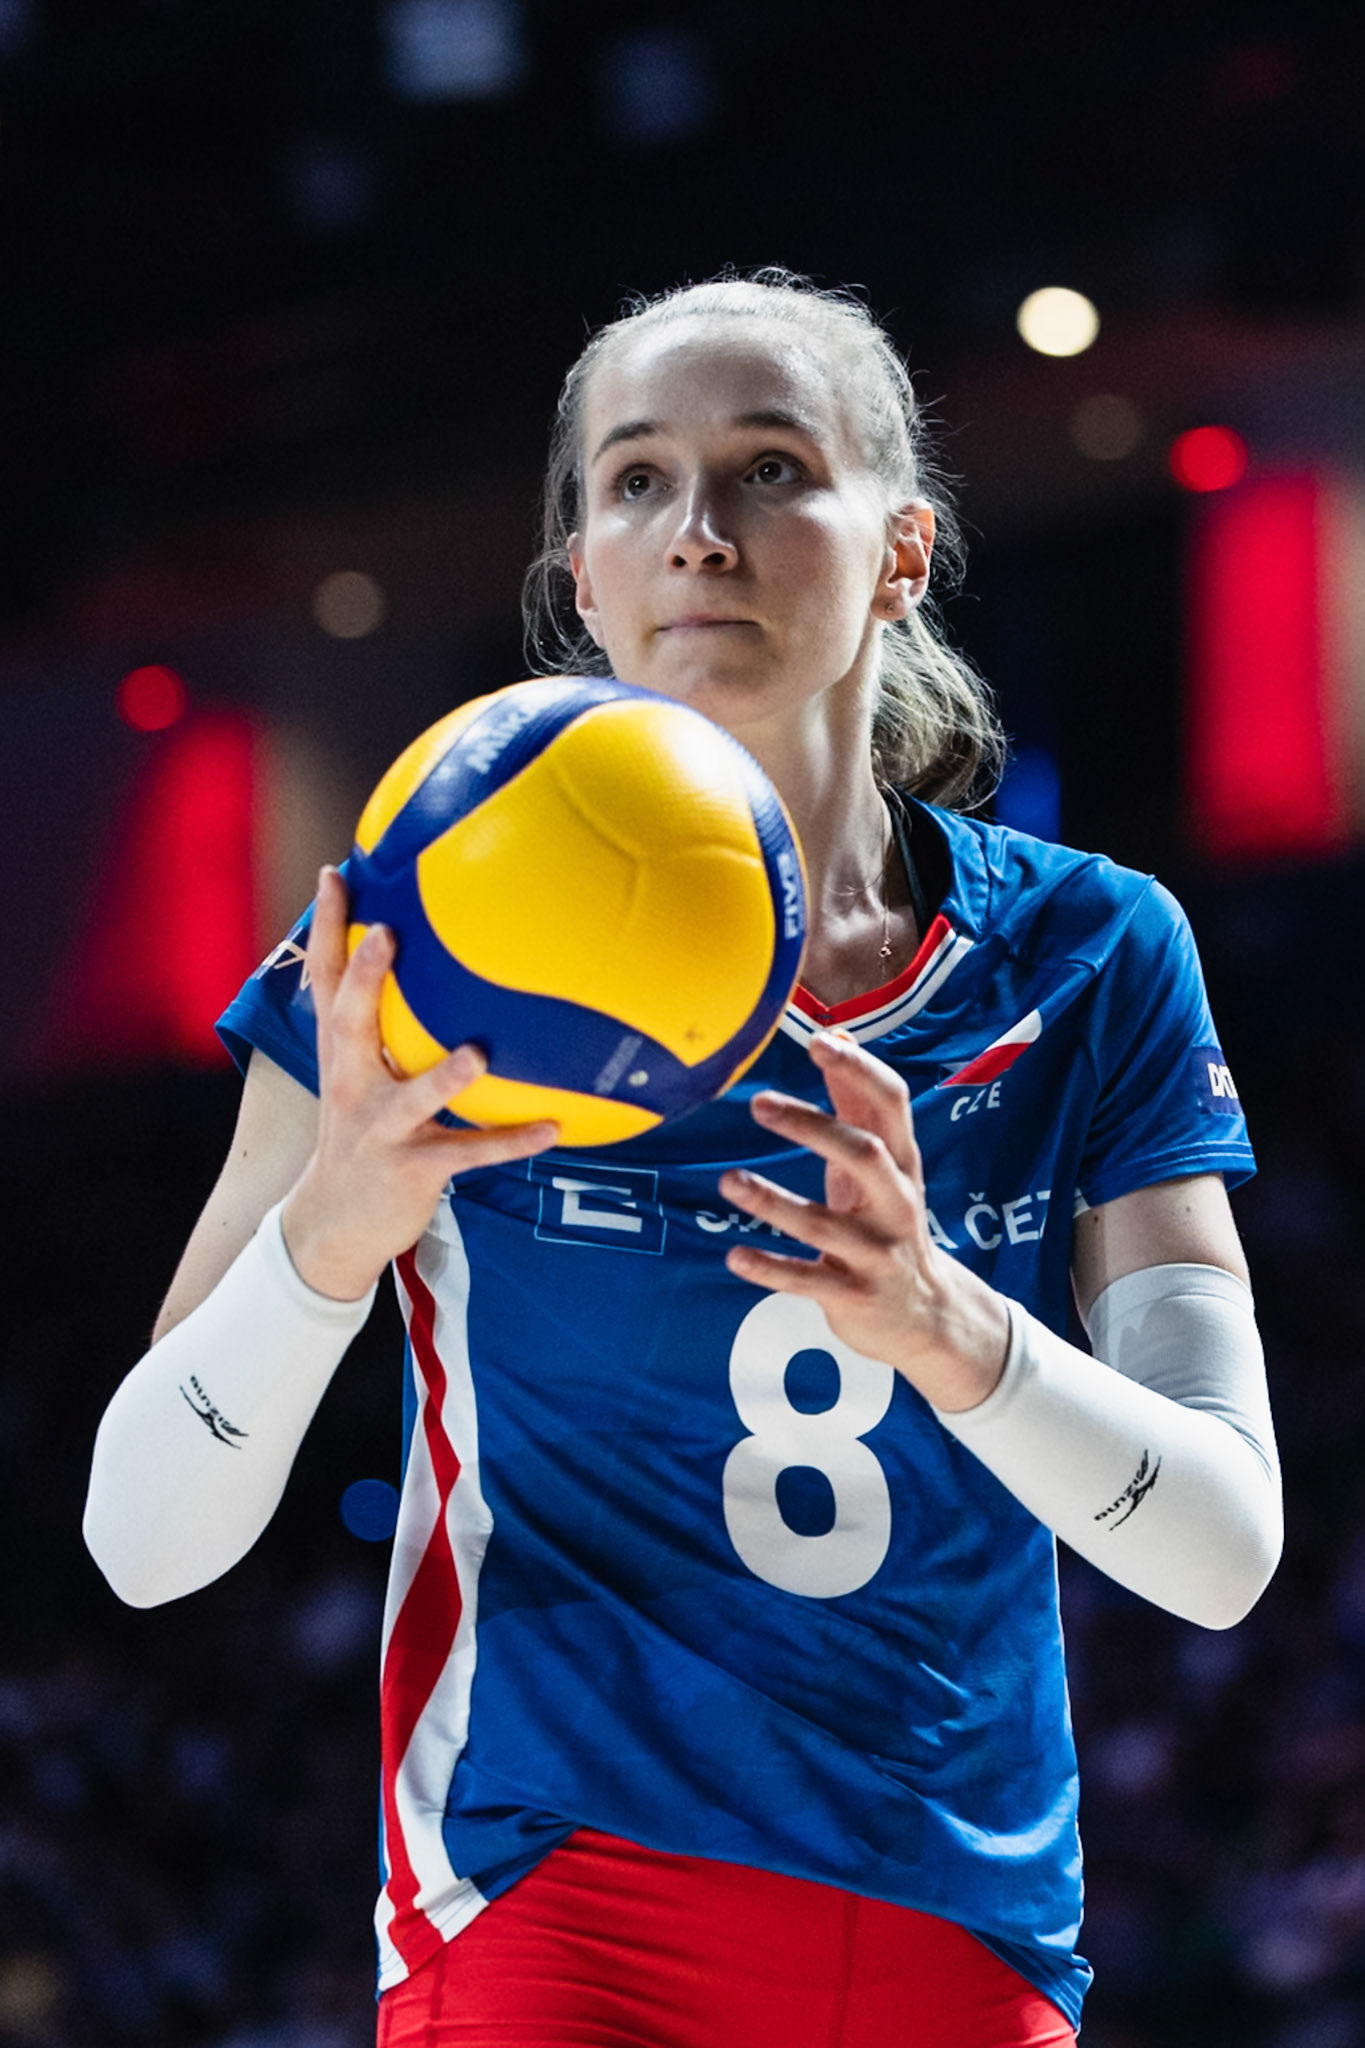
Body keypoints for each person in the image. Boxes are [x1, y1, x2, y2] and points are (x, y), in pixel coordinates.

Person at [84, 270, 1282, 2048]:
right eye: (635, 482)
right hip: (556, 1906)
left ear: (901, 549)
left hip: (962, 1916)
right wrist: (329, 1238)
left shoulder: (1090, 951)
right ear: (582, 576)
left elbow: (1221, 1547)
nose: (696, 533)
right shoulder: (399, 968)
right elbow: (139, 1544)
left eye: (769, 468)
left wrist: (950, 1326)